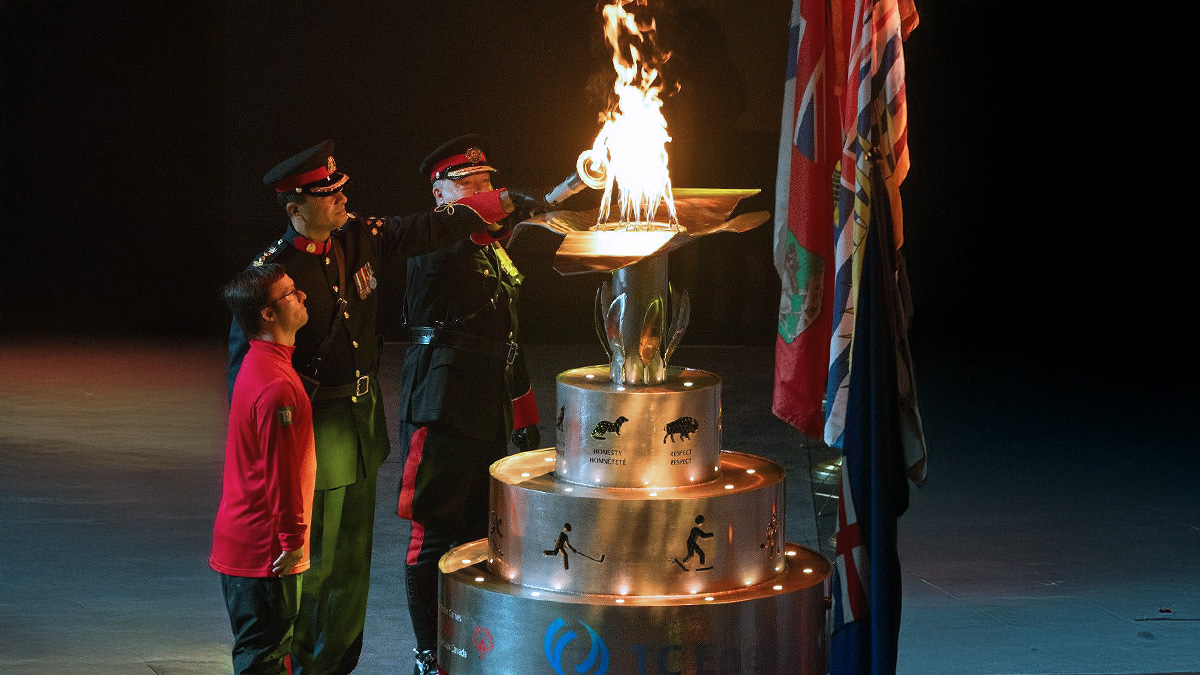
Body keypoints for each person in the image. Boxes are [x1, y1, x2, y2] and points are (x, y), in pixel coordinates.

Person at [226, 139, 516, 675]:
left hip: (359, 427)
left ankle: (336, 664)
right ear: (296, 208)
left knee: (350, 568)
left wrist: (509, 200)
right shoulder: (273, 274)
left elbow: (434, 226)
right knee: (310, 566)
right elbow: (246, 373)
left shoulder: (359, 237)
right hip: (311, 431)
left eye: (342, 189)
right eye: (328, 194)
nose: (343, 199)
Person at [395, 135, 542, 675]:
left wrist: (524, 415)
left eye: (488, 183)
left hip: (486, 403)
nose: (485, 192)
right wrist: (501, 209)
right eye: (469, 186)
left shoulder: (486, 243)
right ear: (440, 194)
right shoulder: (432, 241)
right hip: (442, 401)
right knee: (432, 528)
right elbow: (458, 238)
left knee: (481, 532)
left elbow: (508, 337)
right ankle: (428, 653)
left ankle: (470, 647)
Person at [211, 263, 315, 675]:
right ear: (268, 314)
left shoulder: (260, 364)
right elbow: (281, 473)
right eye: (290, 293)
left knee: (264, 651)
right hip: (267, 550)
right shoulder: (276, 386)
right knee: (264, 657)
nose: (303, 296)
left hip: (249, 542)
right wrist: (293, 539)